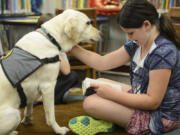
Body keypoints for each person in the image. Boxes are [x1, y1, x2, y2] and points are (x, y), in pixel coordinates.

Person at [68, 0, 180, 135]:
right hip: (143, 97)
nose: (129, 37)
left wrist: (113, 95)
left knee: (90, 103)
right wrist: (69, 45)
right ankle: (113, 119)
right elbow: (101, 62)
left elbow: (153, 102)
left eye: (131, 33)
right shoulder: (137, 44)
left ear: (146, 25)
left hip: (160, 116)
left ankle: (114, 120)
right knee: (100, 83)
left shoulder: (163, 52)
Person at [34, 13, 80, 105]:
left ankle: (44, 98)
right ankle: (56, 98)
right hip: (35, 83)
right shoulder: (34, 41)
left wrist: (54, 48)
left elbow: (66, 71)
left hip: (50, 83)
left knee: (73, 76)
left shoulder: (58, 44)